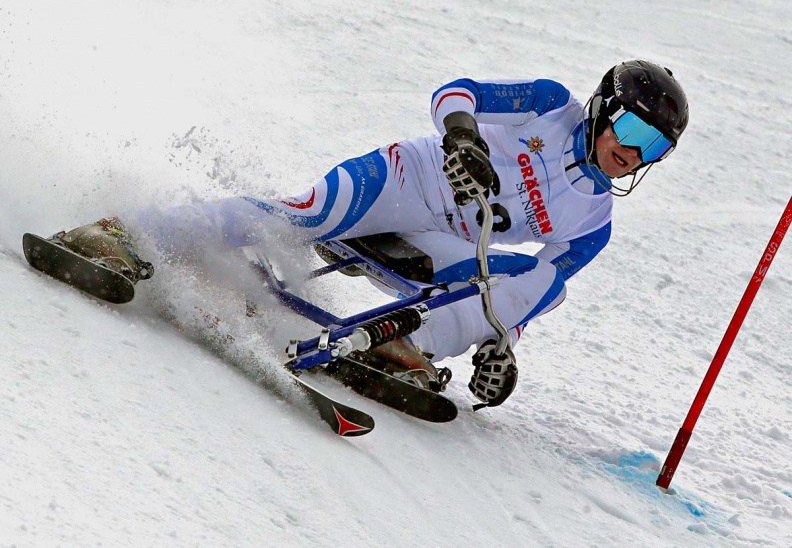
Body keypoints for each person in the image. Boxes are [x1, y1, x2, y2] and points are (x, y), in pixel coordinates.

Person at [48, 60, 689, 408]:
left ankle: (404, 347)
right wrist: (463, 135)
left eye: (654, 147)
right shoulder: (550, 104)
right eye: (630, 132)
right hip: (405, 180)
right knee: (300, 215)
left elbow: (528, 297)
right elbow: (454, 90)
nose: (633, 153)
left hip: (440, 244)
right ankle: (123, 232)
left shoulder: (594, 223)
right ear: (603, 109)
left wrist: (504, 341)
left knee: (542, 282)